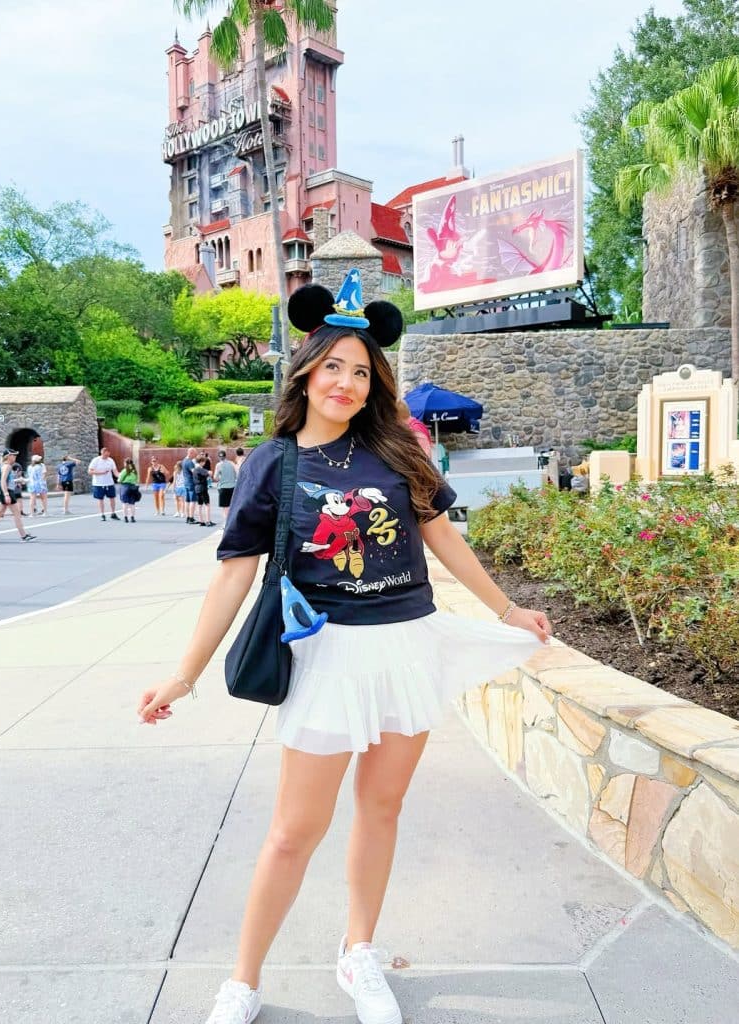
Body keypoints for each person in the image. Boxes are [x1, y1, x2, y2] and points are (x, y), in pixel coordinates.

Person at [137, 274, 551, 1024]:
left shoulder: (397, 451)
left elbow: (442, 536)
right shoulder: (274, 462)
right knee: (295, 831)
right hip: (326, 659)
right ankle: (244, 979)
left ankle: (358, 951)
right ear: (306, 370)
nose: (348, 382)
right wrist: (184, 674)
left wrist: (507, 607)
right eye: (335, 366)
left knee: (382, 807)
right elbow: (234, 574)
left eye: (362, 371)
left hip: (405, 647)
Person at [0, 448, 37, 543]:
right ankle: (23, 536)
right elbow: (3, 481)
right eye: (14, 455)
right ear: (9, 456)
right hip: (6, 492)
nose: (15, 457)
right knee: (16, 514)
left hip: (5, 491)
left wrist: (17, 481)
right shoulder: (7, 466)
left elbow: (7, 481)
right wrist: (6, 494)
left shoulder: (5, 466)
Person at [88, 447, 120, 522]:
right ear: (102, 453)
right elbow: (89, 471)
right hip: (98, 484)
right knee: (100, 499)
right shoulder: (96, 460)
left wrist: (121, 477)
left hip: (109, 483)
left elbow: (115, 472)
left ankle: (113, 513)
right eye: (106, 454)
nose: (107, 455)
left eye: (108, 454)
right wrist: (101, 473)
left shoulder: (111, 460)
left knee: (112, 498)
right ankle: (102, 514)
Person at [213, 450, 238, 522]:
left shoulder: (218, 465)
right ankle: (233, 522)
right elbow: (237, 473)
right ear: (225, 456)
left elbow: (215, 478)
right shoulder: (232, 463)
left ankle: (226, 523)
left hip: (223, 487)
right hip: (232, 487)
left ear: (219, 457)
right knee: (232, 506)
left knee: (225, 508)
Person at [192, 455, 214, 527]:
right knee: (207, 504)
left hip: (197, 488)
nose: (204, 463)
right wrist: (209, 472)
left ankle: (201, 521)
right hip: (202, 488)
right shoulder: (200, 468)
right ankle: (208, 521)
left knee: (200, 505)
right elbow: (209, 473)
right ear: (201, 462)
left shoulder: (195, 469)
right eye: (204, 461)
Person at [118, 458, 140, 523]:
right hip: (133, 487)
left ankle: (126, 517)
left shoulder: (125, 470)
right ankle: (132, 517)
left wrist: (119, 479)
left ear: (125, 463)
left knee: (125, 503)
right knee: (132, 503)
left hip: (125, 487)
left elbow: (120, 480)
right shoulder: (134, 471)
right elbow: (136, 480)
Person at [182, 447, 198, 525]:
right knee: (193, 501)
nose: (196, 455)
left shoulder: (184, 461)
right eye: (195, 453)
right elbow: (194, 472)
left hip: (186, 482)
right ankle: (191, 518)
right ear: (191, 453)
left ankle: (187, 517)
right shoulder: (190, 462)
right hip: (191, 483)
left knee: (187, 501)